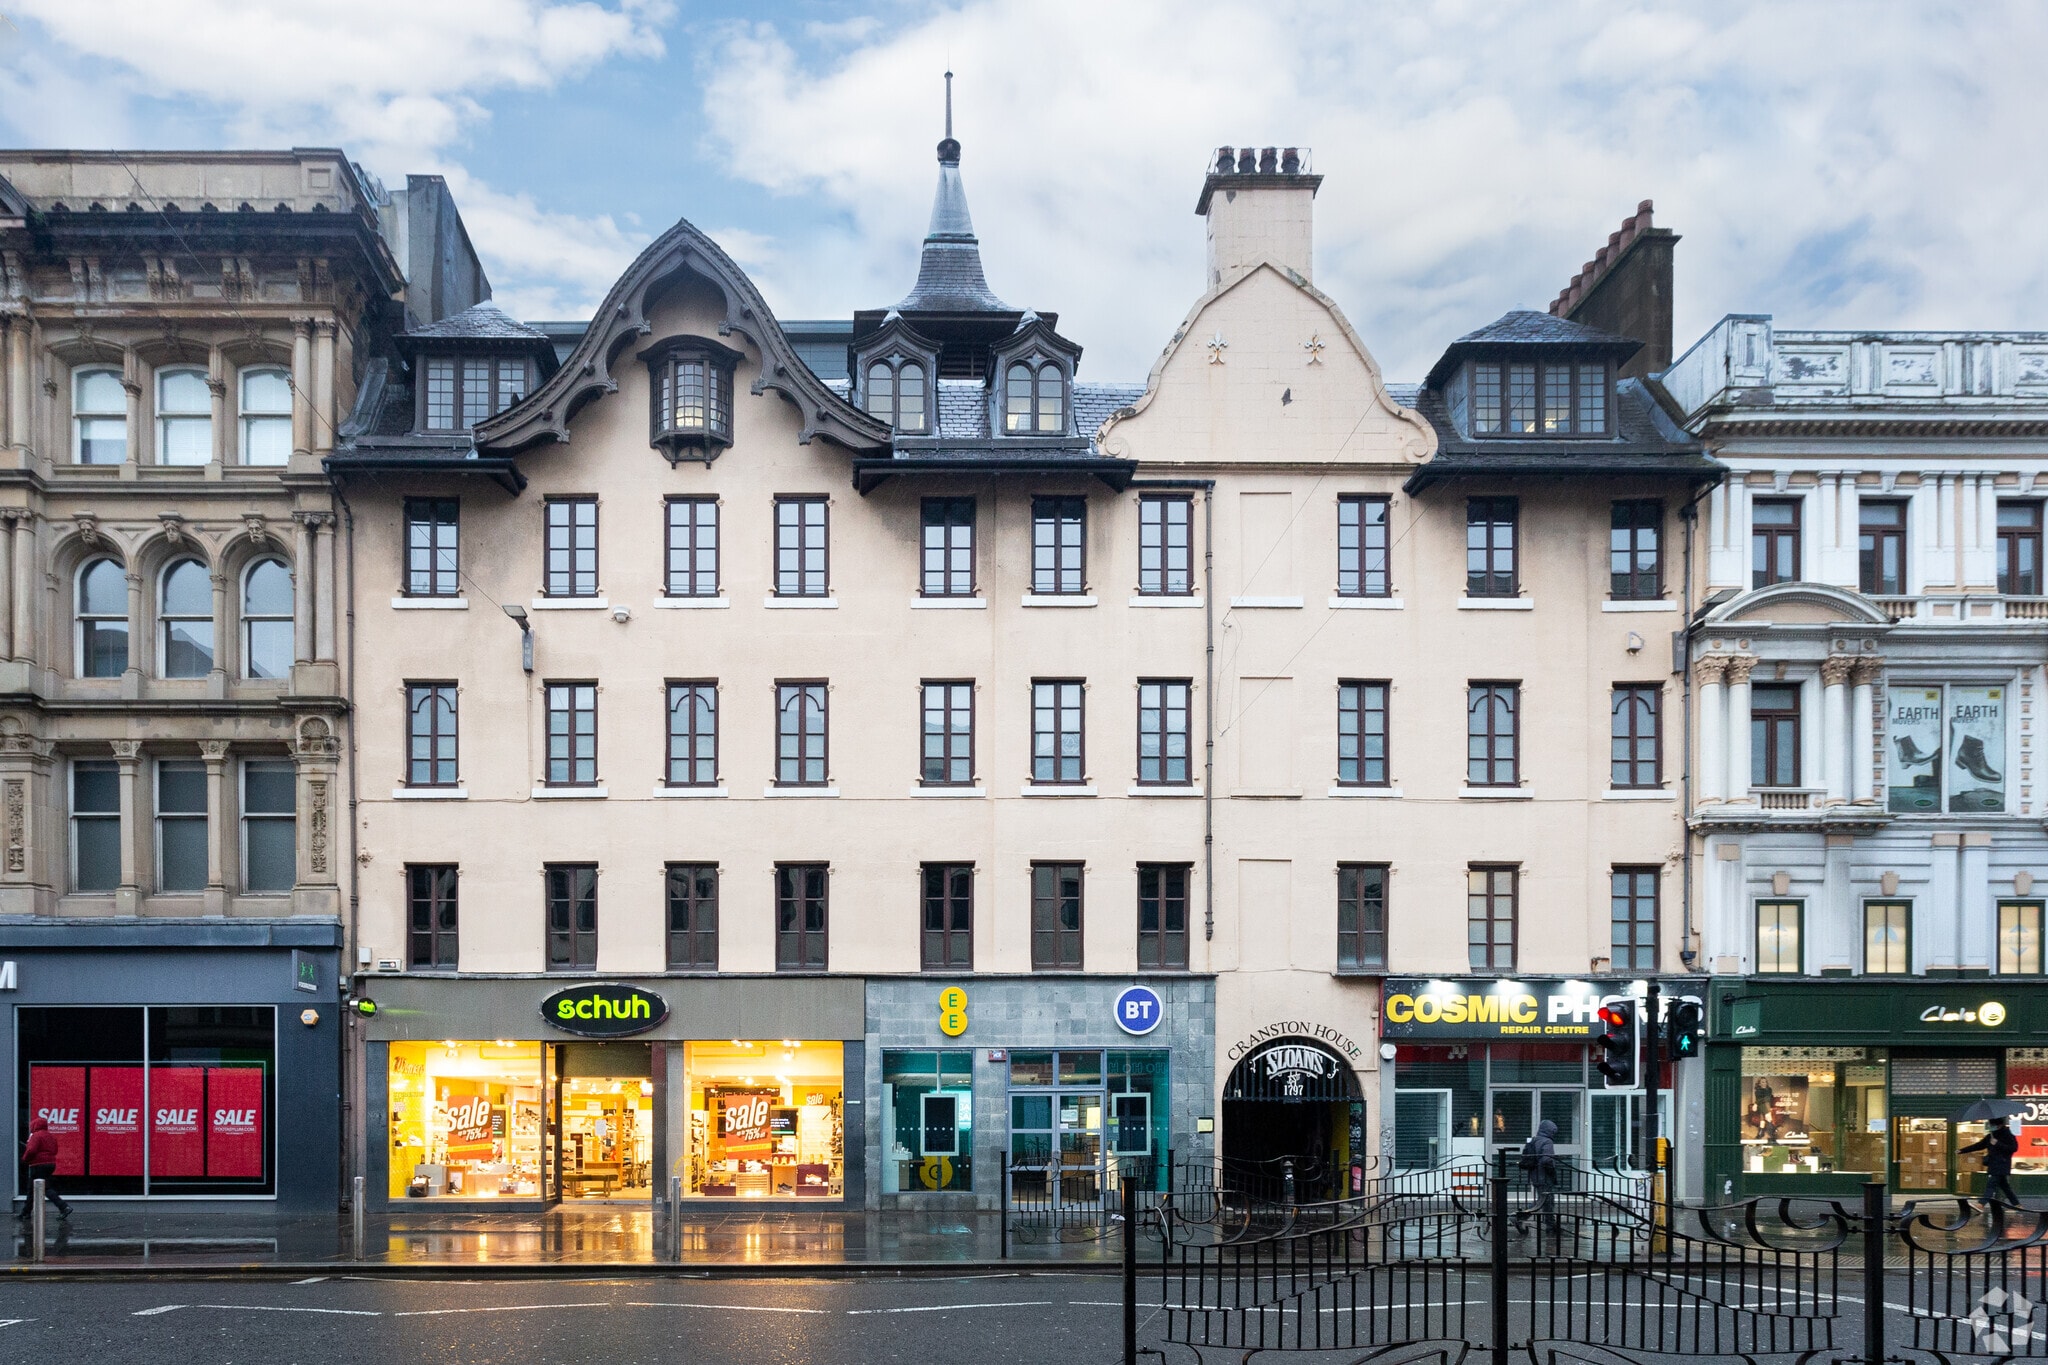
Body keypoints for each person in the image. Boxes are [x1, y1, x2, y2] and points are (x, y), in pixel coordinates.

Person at [1961, 1118, 2021, 1220]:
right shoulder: (1991, 1136)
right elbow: (1979, 1145)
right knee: (2005, 1187)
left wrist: (1997, 1143)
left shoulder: (2008, 1134)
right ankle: (2017, 1205)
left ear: (1999, 1125)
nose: (1990, 1126)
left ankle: (1981, 1204)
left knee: (1991, 1184)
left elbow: (2013, 1148)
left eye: (1992, 1124)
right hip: (1993, 1164)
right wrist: (1962, 1150)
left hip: (2002, 1164)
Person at [18, 1117, 72, 1221]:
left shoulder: (36, 1135)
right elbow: (55, 1150)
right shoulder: (51, 1136)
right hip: (50, 1164)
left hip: (38, 1165)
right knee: (32, 1188)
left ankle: (64, 1207)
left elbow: (31, 1150)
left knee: (43, 1188)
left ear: (34, 1125)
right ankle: (25, 1213)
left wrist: (25, 1159)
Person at [1514, 1119, 1560, 1237]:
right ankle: (1520, 1217)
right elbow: (1547, 1160)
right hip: (1544, 1176)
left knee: (1544, 1200)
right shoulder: (1547, 1142)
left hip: (1535, 1175)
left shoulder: (1534, 1140)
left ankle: (1550, 1224)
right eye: (1553, 1131)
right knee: (1545, 1201)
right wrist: (1552, 1169)